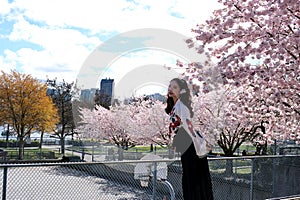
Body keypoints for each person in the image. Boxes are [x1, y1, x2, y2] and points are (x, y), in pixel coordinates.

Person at [165, 78, 214, 200]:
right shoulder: (176, 106)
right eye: (170, 86)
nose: (170, 89)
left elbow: (188, 126)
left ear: (181, 91)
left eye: (174, 87)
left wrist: (199, 145)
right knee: (189, 178)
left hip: (190, 145)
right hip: (185, 145)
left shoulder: (182, 105)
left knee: (192, 180)